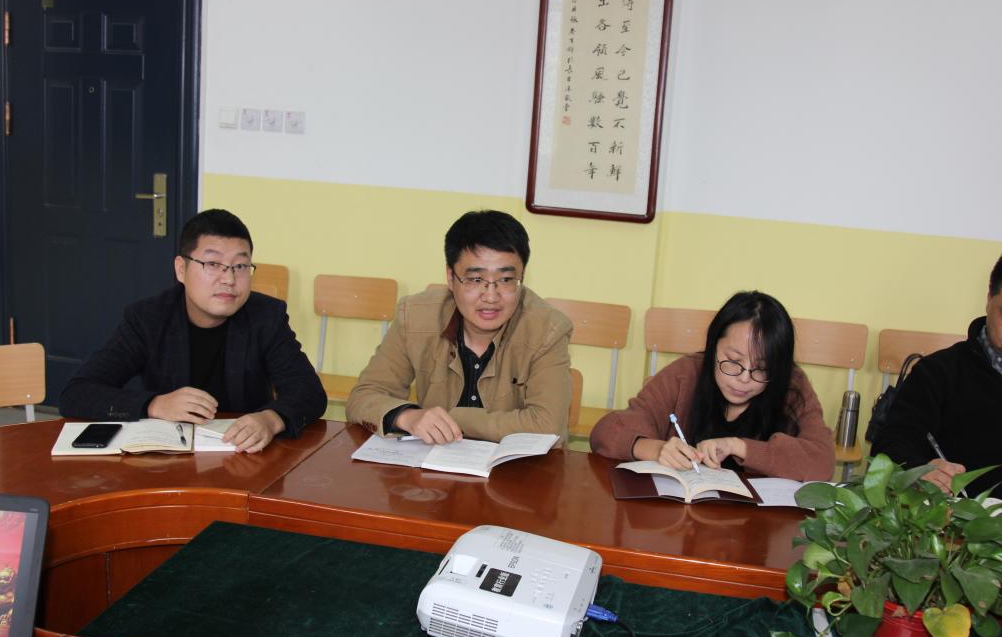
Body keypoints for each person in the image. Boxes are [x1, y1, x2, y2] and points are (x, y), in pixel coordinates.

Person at [59, 209, 326, 452]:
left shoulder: (266, 317)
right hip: (165, 460)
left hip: (244, 456)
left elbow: (309, 392)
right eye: (212, 264)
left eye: (240, 266)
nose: (229, 279)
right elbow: (77, 393)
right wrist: (154, 404)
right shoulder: (148, 319)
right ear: (181, 269)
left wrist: (272, 419)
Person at [346, 210, 572, 444]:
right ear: (450, 277)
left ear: (521, 277)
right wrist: (408, 417)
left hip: (516, 466)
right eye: (475, 279)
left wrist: (455, 418)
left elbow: (548, 427)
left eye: (506, 280)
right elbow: (362, 397)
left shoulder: (549, 329)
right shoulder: (415, 315)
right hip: (433, 462)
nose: (491, 297)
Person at [590, 291, 834, 481]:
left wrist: (739, 447)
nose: (744, 378)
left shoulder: (792, 385)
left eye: (761, 368)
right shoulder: (686, 373)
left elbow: (822, 462)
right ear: (713, 345)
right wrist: (655, 449)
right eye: (734, 361)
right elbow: (607, 431)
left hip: (759, 525)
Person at [872, 255, 1002, 496]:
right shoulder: (937, 372)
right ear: (988, 300)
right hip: (955, 513)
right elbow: (889, 445)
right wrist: (918, 471)